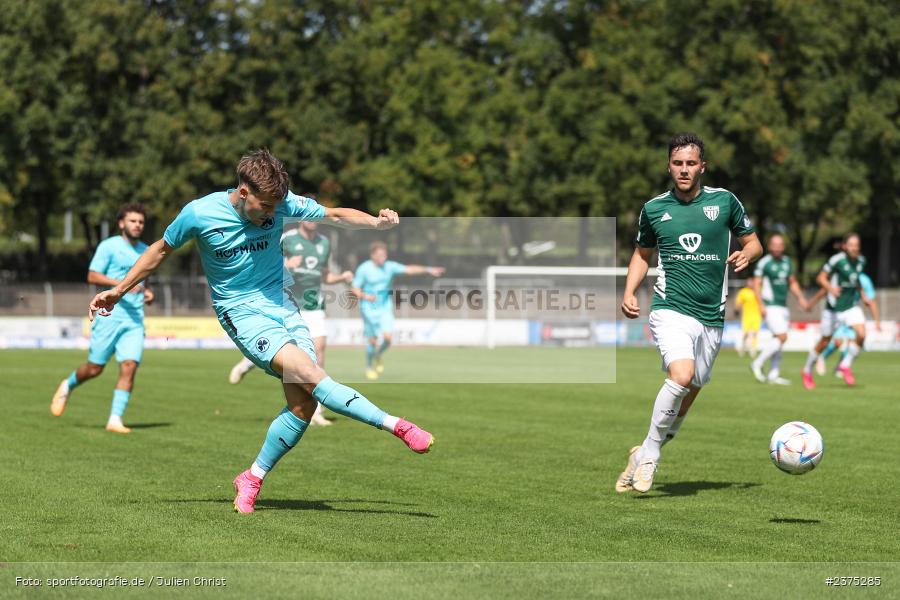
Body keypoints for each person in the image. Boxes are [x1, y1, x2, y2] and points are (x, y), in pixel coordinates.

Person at [88, 149, 434, 514]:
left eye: (275, 207)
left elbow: (332, 214)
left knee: (302, 406)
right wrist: (119, 290)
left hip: (284, 305)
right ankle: (396, 425)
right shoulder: (199, 213)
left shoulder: (281, 203)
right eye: (264, 206)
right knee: (312, 374)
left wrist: (375, 224)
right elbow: (160, 250)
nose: (271, 214)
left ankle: (251, 477)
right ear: (242, 192)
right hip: (241, 313)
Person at [617, 132, 761, 494]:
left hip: (711, 315)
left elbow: (753, 241)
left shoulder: (725, 202)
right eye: (677, 163)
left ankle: (644, 451)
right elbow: (641, 253)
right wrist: (629, 290)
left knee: (691, 389)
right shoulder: (653, 208)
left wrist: (749, 254)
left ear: (702, 167)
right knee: (681, 375)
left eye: (690, 163)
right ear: (669, 166)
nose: (684, 170)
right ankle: (650, 456)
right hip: (670, 308)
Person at [228, 220, 353, 427]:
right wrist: (287, 265)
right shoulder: (288, 239)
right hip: (287, 303)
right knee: (287, 352)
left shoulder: (324, 243)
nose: (312, 221)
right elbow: (264, 265)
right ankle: (249, 362)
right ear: (302, 219)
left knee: (318, 352)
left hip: (314, 304)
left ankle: (316, 411)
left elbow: (324, 275)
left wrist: (342, 277)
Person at [51, 203, 154, 433]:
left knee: (129, 366)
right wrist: (120, 286)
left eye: (141, 222)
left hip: (134, 320)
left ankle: (115, 419)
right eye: (133, 221)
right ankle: (68, 384)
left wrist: (148, 293)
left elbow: (145, 282)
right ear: (121, 223)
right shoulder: (109, 247)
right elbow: (92, 275)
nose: (137, 225)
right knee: (95, 368)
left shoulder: (147, 250)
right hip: (109, 316)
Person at [351, 241, 444, 379]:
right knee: (372, 340)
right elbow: (354, 289)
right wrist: (365, 296)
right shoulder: (364, 269)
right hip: (368, 308)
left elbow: (409, 269)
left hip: (385, 306)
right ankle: (370, 366)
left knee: (388, 339)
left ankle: (378, 355)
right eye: (380, 255)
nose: (383, 257)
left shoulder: (389, 266)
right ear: (373, 255)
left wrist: (429, 270)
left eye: (385, 254)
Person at [801, 233, 880, 389]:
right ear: (844, 246)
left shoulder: (861, 261)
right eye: (851, 245)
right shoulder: (836, 260)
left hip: (850, 306)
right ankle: (807, 370)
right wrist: (831, 288)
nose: (854, 248)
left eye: (856, 245)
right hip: (833, 309)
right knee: (824, 342)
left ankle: (845, 365)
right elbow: (820, 278)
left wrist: (863, 295)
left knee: (862, 334)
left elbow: (856, 279)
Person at [749, 234, 809, 384]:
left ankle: (774, 374)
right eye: (774, 244)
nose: (777, 247)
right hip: (770, 305)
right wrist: (761, 304)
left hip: (783, 306)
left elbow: (792, 282)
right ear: (770, 246)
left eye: (780, 245)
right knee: (782, 337)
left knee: (778, 340)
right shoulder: (764, 263)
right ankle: (757, 362)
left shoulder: (787, 262)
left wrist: (800, 297)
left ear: (783, 247)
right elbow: (757, 284)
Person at [734, 284, 761, 357]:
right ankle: (742, 348)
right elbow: (739, 302)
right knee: (745, 334)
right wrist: (737, 309)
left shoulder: (758, 290)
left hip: (756, 316)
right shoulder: (743, 292)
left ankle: (753, 350)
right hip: (746, 316)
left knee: (755, 334)